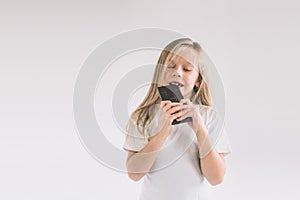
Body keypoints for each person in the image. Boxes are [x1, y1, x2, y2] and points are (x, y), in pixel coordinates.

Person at [122, 38, 232, 200]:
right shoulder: (143, 117)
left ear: (197, 81)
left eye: (187, 69)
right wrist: (161, 134)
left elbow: (216, 178)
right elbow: (134, 174)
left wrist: (200, 129)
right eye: (170, 66)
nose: (177, 72)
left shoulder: (209, 117)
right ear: (160, 74)